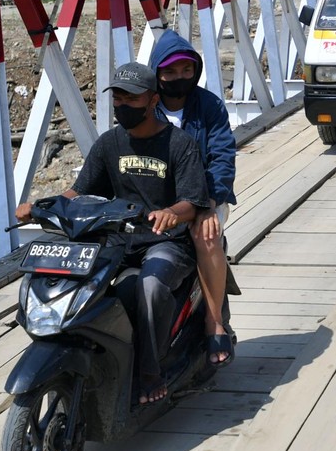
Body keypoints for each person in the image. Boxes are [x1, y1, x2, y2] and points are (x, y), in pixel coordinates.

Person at [15, 61, 210, 405]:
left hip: (165, 242)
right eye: (117, 98)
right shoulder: (109, 144)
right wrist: (42, 206)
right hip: (116, 239)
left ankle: (150, 372)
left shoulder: (180, 145)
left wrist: (170, 213)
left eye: (131, 99)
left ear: (152, 100)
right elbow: (80, 192)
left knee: (149, 286)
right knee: (77, 283)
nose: (122, 105)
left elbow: (192, 202)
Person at [149, 30, 237, 368]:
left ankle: (214, 322)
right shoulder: (145, 104)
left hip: (205, 196)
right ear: (157, 72)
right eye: (170, 72)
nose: (179, 78)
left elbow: (223, 156)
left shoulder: (208, 105)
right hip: (160, 199)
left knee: (206, 236)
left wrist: (208, 204)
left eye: (186, 70)